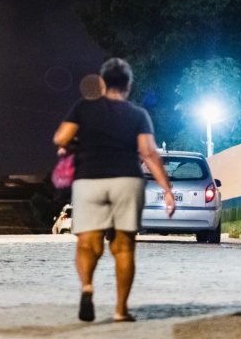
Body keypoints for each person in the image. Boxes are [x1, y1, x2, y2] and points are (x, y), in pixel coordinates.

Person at [52, 58, 175, 323]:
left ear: (103, 82)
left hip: (89, 180)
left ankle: (87, 288)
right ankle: (121, 310)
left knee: (88, 243)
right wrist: (167, 189)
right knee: (124, 248)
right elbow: (149, 153)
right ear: (129, 84)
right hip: (126, 180)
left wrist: (76, 144)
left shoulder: (83, 108)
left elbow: (60, 138)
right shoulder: (138, 114)